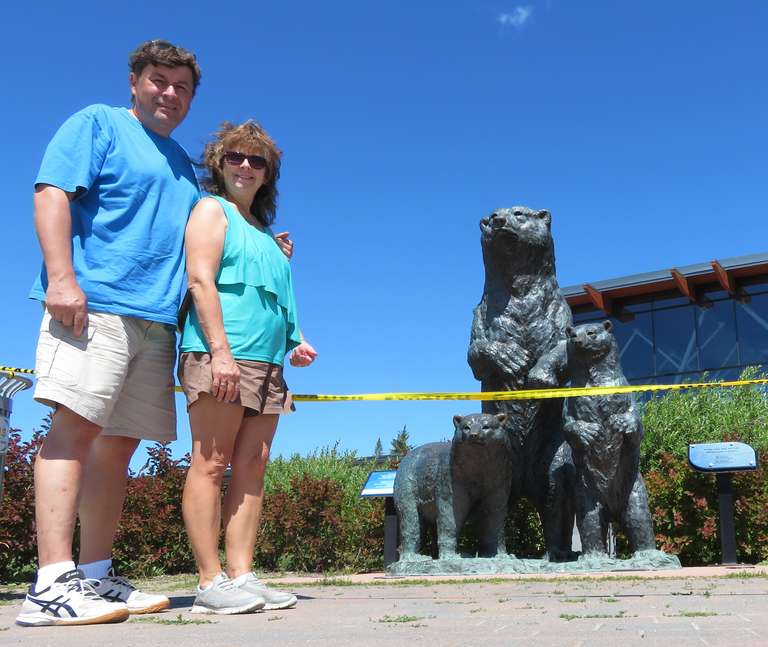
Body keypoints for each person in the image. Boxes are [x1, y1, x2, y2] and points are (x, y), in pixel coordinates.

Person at [17, 40, 205, 627]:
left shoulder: (181, 162)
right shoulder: (96, 123)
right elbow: (51, 192)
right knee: (74, 426)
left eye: (181, 87)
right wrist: (61, 278)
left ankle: (96, 577)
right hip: (93, 303)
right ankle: (50, 583)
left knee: (118, 446)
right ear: (134, 82)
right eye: (158, 80)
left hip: (155, 322)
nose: (168, 93)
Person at [178, 121, 317, 614]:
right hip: (220, 355)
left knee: (252, 469)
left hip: (267, 365)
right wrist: (220, 353)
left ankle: (242, 575)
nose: (245, 166)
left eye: (256, 161)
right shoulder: (211, 210)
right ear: (220, 162)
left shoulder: (269, 238)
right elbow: (200, 280)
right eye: (235, 156)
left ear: (268, 174)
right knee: (211, 465)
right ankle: (209, 582)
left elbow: (280, 301)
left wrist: (295, 341)